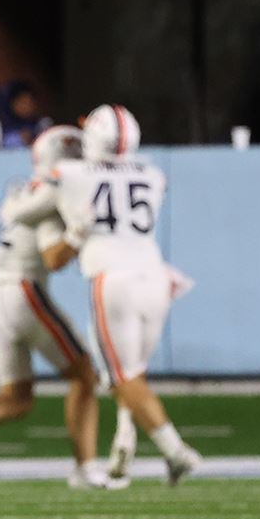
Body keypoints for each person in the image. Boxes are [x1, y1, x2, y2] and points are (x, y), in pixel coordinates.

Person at [0, 126, 107, 489]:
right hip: (24, 290)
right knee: (85, 375)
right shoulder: (56, 194)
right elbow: (53, 257)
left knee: (17, 398)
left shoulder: (33, 190)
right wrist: (80, 233)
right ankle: (85, 468)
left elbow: (13, 212)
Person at [52, 105, 201, 488]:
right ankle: (124, 439)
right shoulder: (153, 174)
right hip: (155, 276)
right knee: (133, 370)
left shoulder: (71, 175)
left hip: (113, 277)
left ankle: (175, 451)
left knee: (120, 376)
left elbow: (50, 179)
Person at [0, 80, 52, 148]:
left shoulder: (43, 123)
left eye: (29, 102)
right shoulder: (1, 127)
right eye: (21, 102)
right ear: (11, 105)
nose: (26, 106)